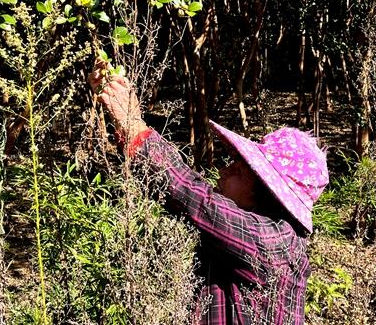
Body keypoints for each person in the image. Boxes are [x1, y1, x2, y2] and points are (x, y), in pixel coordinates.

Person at [89, 63, 329, 325]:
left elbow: (196, 200)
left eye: (238, 171)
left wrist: (132, 125)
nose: (223, 172)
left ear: (266, 194)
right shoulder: (256, 236)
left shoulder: (275, 242)